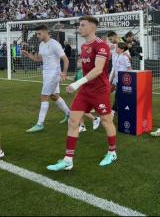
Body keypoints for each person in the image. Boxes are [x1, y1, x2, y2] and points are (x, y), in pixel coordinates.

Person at [47, 16, 117, 171]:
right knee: (73, 121)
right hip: (85, 91)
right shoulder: (84, 46)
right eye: (79, 25)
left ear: (92, 27)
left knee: (106, 121)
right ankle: (68, 160)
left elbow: (98, 69)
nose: (79, 28)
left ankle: (112, 152)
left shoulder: (102, 46)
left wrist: (77, 83)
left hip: (99, 91)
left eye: (82, 25)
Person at [22, 25, 71, 132]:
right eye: (37, 34)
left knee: (44, 96)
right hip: (47, 74)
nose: (37, 36)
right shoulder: (41, 44)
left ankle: (40, 124)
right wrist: (28, 55)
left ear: (45, 32)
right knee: (54, 96)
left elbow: (66, 59)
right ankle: (69, 114)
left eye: (39, 34)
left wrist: (64, 73)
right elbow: (38, 59)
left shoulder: (55, 44)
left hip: (53, 74)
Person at [68, 58, 101, 133]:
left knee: (80, 110)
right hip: (81, 93)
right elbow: (75, 80)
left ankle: (95, 119)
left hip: (87, 94)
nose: (77, 63)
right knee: (78, 109)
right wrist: (66, 77)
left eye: (79, 62)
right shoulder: (79, 72)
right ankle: (82, 126)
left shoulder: (88, 73)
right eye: (77, 61)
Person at [110, 42, 132, 114]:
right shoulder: (116, 56)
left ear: (122, 49)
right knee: (120, 95)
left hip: (123, 80)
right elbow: (115, 70)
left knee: (118, 95)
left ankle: (112, 112)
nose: (116, 48)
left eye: (118, 47)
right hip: (116, 79)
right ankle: (120, 110)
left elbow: (129, 68)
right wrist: (111, 80)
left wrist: (128, 80)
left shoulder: (125, 57)